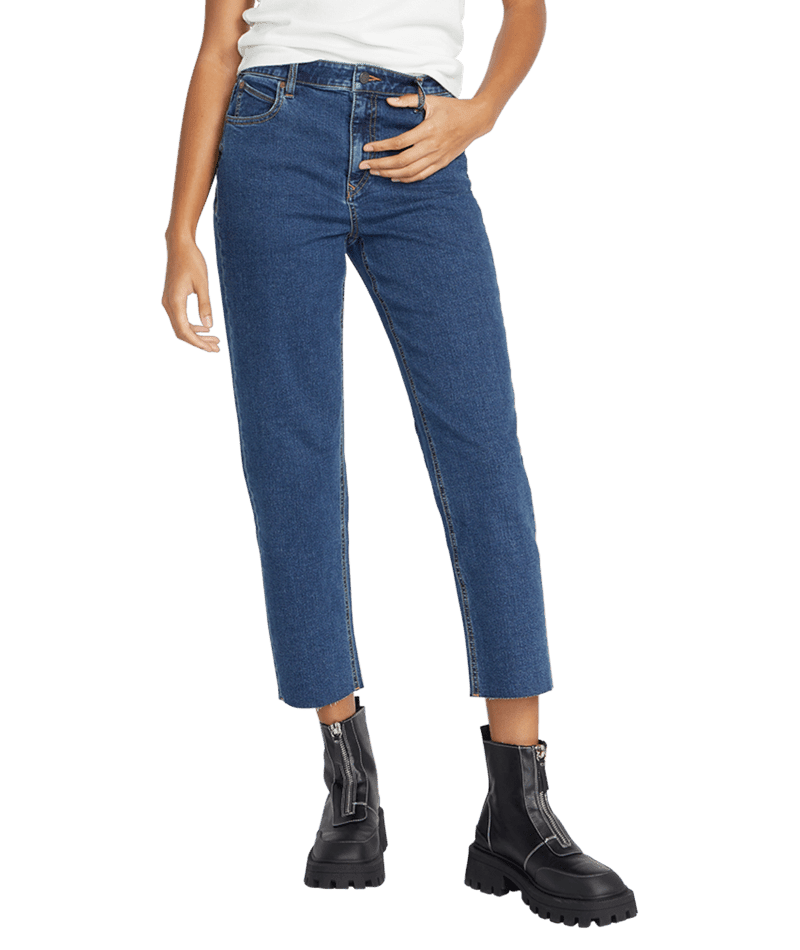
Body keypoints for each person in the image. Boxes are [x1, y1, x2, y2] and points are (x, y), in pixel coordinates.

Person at [161, 0, 637, 927]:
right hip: (272, 134)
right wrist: (180, 230)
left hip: (422, 138)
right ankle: (349, 783)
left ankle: (519, 807)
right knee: (292, 457)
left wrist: (482, 109)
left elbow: (527, 10)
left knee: (485, 456)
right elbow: (219, 45)